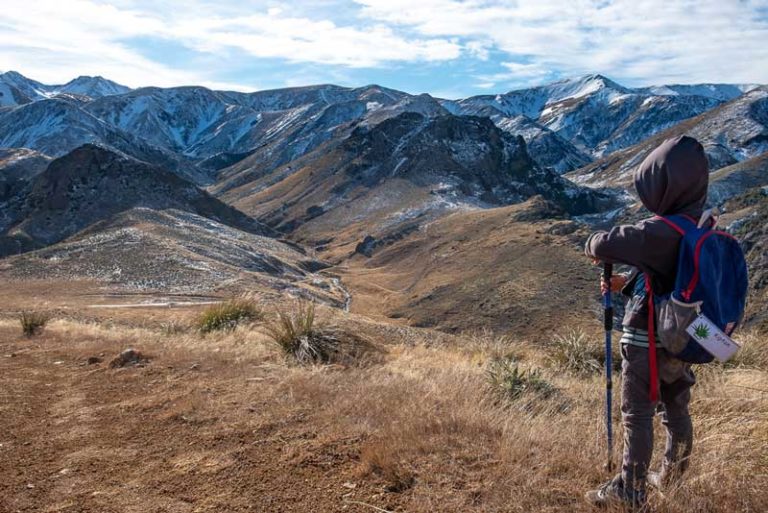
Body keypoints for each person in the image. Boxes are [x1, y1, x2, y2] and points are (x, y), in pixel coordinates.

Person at [583, 135, 709, 508]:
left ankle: (630, 489)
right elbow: (669, 277)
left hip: (646, 340)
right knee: (676, 409)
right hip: (680, 336)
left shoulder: (660, 230)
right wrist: (628, 284)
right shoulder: (699, 224)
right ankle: (671, 478)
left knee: (636, 413)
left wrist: (592, 241)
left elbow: (603, 244)